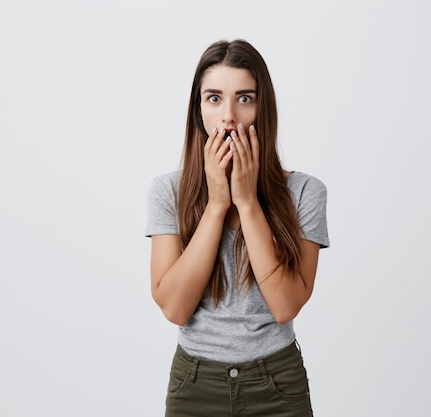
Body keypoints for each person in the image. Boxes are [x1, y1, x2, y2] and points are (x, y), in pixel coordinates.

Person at [145, 39, 330, 417]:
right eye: (214, 98)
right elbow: (176, 309)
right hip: (195, 384)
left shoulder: (306, 192)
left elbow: (286, 305)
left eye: (244, 98)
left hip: (276, 383)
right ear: (198, 111)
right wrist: (216, 206)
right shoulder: (167, 191)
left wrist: (246, 202)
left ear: (263, 109)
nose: (229, 116)